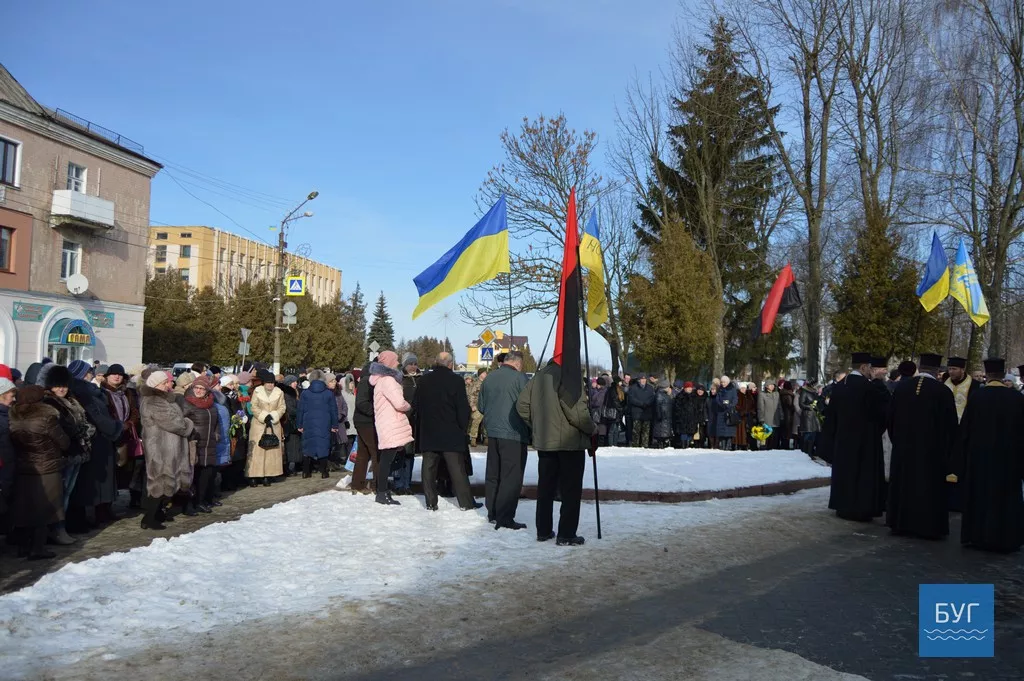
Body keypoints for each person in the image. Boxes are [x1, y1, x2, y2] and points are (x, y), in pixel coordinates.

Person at [517, 360, 595, 546]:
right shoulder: (570, 376)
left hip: (546, 442)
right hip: (570, 442)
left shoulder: (538, 376)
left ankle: (543, 531)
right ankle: (566, 534)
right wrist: (592, 428)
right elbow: (576, 411)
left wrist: (537, 426)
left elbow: (522, 405)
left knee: (545, 488)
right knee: (570, 490)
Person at [885, 353, 958, 540]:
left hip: (904, 449)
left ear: (920, 367)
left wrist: (899, 441)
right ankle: (927, 526)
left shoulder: (902, 388)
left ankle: (901, 523)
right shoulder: (943, 392)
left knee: (903, 486)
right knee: (928, 488)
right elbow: (950, 427)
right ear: (937, 371)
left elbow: (890, 420)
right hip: (931, 453)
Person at [958, 358, 1024, 552]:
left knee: (980, 496)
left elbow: (965, 430)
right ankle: (1005, 538)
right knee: (1005, 498)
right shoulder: (1017, 398)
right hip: (1008, 459)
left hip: (980, 458)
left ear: (987, 376)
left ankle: (976, 535)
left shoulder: (977, 397)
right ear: (1003, 375)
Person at [822, 353, 887, 522]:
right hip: (865, 441)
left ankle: (843, 506)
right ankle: (860, 509)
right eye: (870, 368)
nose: (871, 372)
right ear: (863, 367)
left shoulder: (840, 386)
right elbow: (880, 413)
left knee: (845, 473)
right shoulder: (869, 387)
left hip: (843, 439)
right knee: (861, 476)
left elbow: (831, 415)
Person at [9, 384, 70, 559]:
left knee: (24, 509)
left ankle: (23, 547)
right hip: (47, 467)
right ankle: (38, 548)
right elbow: (63, 442)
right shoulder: (46, 417)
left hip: (23, 467)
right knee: (46, 508)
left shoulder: (13, 417)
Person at [414, 352, 479, 511]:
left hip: (429, 431)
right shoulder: (456, 381)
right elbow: (462, 408)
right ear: (450, 364)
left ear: (436, 362)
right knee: (457, 470)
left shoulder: (424, 380)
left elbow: (416, 405)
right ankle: (465, 502)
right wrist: (462, 427)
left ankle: (430, 501)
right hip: (451, 432)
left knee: (428, 468)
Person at [66, 359, 123, 532]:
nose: (91, 373)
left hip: (100, 439)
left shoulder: (88, 390)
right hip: (96, 440)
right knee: (89, 482)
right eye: (89, 370)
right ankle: (83, 519)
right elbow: (97, 416)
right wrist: (115, 427)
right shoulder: (84, 392)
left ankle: (97, 513)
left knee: (97, 481)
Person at [478, 350, 530, 529]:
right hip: (514, 433)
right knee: (511, 477)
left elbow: (481, 406)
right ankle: (505, 517)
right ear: (517, 363)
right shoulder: (520, 378)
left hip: (492, 433)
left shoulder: (490, 378)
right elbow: (528, 405)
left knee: (494, 474)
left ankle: (492, 511)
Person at [139, 371, 194, 531]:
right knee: (160, 482)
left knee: (168, 482)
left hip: (170, 447)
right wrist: (188, 424)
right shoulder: (154, 400)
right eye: (165, 383)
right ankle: (149, 518)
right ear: (156, 385)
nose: (169, 384)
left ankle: (156, 514)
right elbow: (175, 423)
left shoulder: (164, 399)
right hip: (160, 449)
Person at [370, 351, 414, 506]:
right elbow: (399, 403)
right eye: (395, 361)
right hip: (391, 423)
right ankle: (382, 492)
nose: (397, 364)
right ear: (389, 363)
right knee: (387, 460)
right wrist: (409, 405)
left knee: (387, 459)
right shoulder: (388, 380)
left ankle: (383, 491)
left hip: (385, 422)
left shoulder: (380, 380)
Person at [101, 365, 142, 507]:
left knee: (125, 471)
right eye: (113, 374)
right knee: (109, 474)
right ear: (107, 376)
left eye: (120, 374)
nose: (117, 377)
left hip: (125, 436)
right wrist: (116, 426)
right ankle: (105, 507)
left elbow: (134, 411)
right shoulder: (103, 392)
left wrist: (129, 423)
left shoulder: (127, 393)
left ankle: (117, 503)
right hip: (109, 436)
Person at [181, 375, 220, 514]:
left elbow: (215, 422)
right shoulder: (187, 403)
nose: (198, 390)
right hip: (194, 444)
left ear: (207, 390)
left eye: (202, 388)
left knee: (206, 475)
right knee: (193, 476)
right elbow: (181, 423)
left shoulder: (211, 403)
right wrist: (190, 435)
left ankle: (201, 501)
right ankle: (189, 504)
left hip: (210, 444)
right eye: (196, 387)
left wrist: (217, 433)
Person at [297, 369, 339, 479]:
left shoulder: (305, 393)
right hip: (325, 422)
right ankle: (324, 471)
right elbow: (334, 411)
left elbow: (300, 410)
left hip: (308, 422)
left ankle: (306, 471)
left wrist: (299, 425)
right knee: (323, 446)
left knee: (308, 446)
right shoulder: (329, 394)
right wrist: (335, 425)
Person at [247, 369, 285, 487]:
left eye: (272, 382)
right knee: (257, 451)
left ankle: (268, 476)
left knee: (271, 452)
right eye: (268, 382)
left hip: (274, 424)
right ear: (263, 383)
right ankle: (254, 476)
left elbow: (282, 407)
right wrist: (264, 416)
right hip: (259, 424)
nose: (270, 384)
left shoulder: (279, 392)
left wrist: (273, 416)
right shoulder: (257, 391)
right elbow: (254, 407)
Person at [350, 363, 379, 495]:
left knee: (363, 453)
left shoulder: (365, 381)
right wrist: (376, 411)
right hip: (366, 422)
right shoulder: (366, 382)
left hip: (363, 421)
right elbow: (362, 403)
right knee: (376, 453)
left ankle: (357, 484)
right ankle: (377, 485)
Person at [394, 355, 420, 494]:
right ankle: (398, 484)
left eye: (415, 363)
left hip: (414, 422)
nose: (413, 366)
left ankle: (407, 484)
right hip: (401, 419)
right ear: (404, 365)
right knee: (399, 453)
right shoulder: (399, 379)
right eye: (410, 364)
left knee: (410, 454)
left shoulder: (420, 379)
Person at [278, 375, 301, 476]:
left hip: (293, 422)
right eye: (293, 382)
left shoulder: (294, 393)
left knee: (294, 446)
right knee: (292, 446)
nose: (296, 383)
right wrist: (300, 411)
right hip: (290, 423)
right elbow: (290, 409)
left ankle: (293, 466)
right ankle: (290, 467)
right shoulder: (288, 394)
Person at [627, 375, 655, 448]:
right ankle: (635, 447)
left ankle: (644, 446)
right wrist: (641, 404)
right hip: (637, 413)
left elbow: (652, 398)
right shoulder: (633, 388)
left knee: (645, 433)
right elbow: (631, 399)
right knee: (636, 432)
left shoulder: (650, 388)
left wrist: (647, 403)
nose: (643, 380)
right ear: (638, 380)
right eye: (641, 379)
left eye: (644, 379)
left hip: (647, 413)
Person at [672, 382, 699, 448]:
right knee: (683, 434)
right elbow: (677, 409)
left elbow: (696, 409)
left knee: (690, 433)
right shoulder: (680, 396)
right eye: (688, 387)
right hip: (683, 420)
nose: (690, 389)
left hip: (692, 419)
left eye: (691, 387)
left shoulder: (694, 397)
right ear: (685, 388)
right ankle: (683, 446)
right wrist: (680, 417)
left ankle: (689, 445)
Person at [715, 376, 739, 450]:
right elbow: (717, 399)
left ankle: (728, 445)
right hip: (721, 412)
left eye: (724, 382)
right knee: (721, 430)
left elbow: (735, 399)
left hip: (729, 412)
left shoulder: (732, 389)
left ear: (728, 382)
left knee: (729, 430)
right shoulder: (720, 389)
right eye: (721, 382)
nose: (723, 384)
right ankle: (722, 445)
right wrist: (722, 404)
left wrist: (729, 405)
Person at [797, 380, 821, 455]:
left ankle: (810, 453)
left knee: (813, 435)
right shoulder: (805, 391)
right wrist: (809, 407)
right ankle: (804, 453)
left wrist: (817, 407)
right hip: (807, 416)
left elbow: (817, 402)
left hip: (814, 416)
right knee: (807, 435)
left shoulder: (815, 393)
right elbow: (801, 404)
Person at [757, 382, 781, 449]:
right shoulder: (762, 394)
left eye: (773, 385)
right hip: (766, 419)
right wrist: (761, 418)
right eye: (770, 385)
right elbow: (760, 408)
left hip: (776, 419)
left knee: (775, 438)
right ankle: (764, 451)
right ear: (767, 386)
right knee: (766, 438)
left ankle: (773, 452)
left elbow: (779, 406)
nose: (772, 386)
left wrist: (782, 416)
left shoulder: (777, 394)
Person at [467, 369, 487, 446]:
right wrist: (472, 405)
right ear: (481, 374)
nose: (486, 374)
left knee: (486, 423)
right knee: (475, 422)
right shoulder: (475, 384)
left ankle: (486, 438)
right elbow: (471, 395)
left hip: (486, 406)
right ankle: (473, 439)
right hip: (477, 406)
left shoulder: (487, 383)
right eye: (485, 373)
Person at [652, 384, 674, 448]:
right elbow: (657, 406)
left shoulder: (665, 395)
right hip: (662, 418)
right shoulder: (659, 395)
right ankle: (660, 444)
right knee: (661, 434)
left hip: (665, 418)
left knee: (664, 434)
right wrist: (659, 416)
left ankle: (662, 444)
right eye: (669, 387)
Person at [736, 382, 756, 450]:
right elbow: (737, 406)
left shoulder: (749, 395)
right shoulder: (738, 395)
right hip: (741, 417)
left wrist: (752, 412)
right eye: (742, 388)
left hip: (749, 416)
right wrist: (742, 412)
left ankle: (749, 444)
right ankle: (742, 445)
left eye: (744, 388)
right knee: (742, 433)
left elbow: (753, 405)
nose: (743, 389)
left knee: (749, 432)